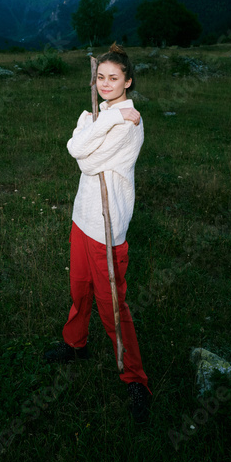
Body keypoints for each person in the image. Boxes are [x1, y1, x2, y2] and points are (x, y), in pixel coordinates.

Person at [43, 43, 151, 424]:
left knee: (113, 306)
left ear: (128, 81)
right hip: (83, 218)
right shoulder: (95, 115)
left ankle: (135, 378)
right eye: (101, 77)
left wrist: (102, 123)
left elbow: (83, 158)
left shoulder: (128, 124)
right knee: (79, 290)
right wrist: (95, 122)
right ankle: (75, 344)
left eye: (114, 78)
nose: (106, 84)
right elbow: (78, 148)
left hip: (108, 228)